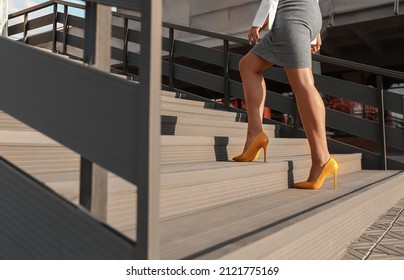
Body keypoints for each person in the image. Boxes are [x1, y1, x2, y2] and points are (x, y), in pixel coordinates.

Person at [233, 0, 338, 190]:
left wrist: (259, 19)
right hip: (306, 12)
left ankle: (322, 159)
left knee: (303, 84)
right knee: (248, 65)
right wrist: (314, 33)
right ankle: (254, 135)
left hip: (292, 14)